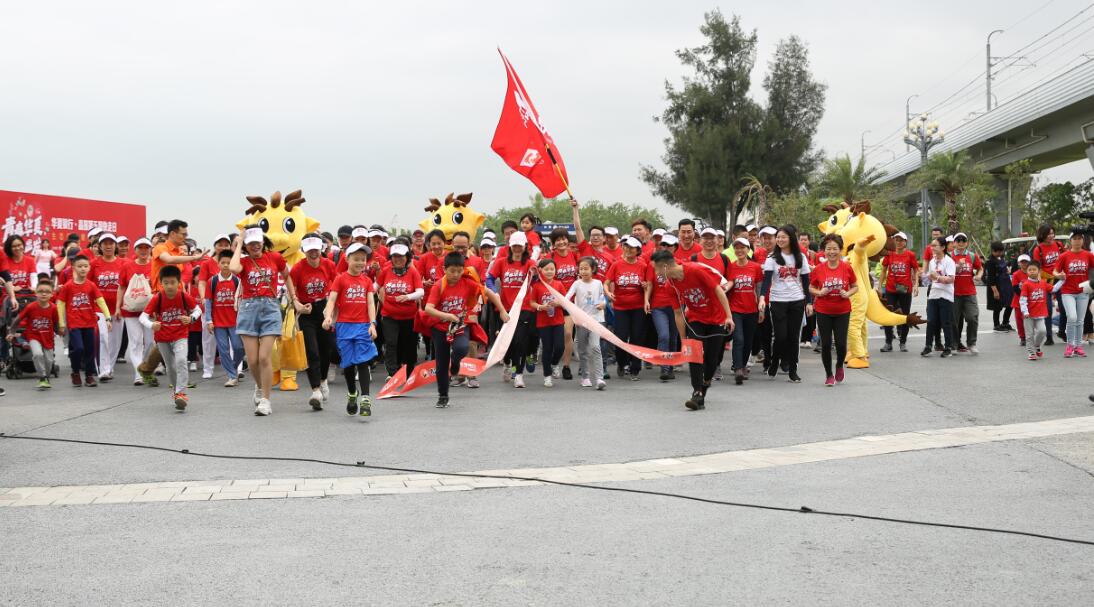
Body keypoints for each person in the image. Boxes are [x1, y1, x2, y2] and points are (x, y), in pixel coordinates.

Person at [649, 251, 733, 411]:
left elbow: (718, 290)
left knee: (712, 359)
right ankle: (697, 392)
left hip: (717, 317)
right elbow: (678, 313)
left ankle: (705, 383)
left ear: (665, 266)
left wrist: (729, 316)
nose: (656, 274)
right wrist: (683, 340)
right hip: (695, 319)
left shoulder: (695, 270)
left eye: (657, 269)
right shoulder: (670, 285)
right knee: (694, 354)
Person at [229, 226, 297, 416]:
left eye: (257, 241)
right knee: (252, 360)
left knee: (264, 357)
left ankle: (266, 400)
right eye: (250, 243)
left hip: (270, 308)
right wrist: (239, 243)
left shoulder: (275, 257)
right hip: (248, 309)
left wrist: (294, 298)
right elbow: (233, 268)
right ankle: (259, 387)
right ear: (246, 245)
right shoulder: (243, 262)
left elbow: (287, 276)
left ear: (263, 241)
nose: (255, 246)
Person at [323, 242, 379, 417]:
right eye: (356, 259)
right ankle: (352, 393)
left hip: (363, 326)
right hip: (344, 326)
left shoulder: (367, 281)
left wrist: (372, 324)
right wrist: (328, 317)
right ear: (347, 259)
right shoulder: (340, 279)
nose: (360, 263)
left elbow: (371, 303)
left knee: (362, 362)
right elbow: (332, 300)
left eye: (363, 259)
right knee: (348, 364)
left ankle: (365, 399)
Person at [141, 265, 202, 410]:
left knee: (181, 361)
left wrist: (191, 318)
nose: (169, 286)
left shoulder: (183, 296)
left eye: (173, 282)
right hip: (162, 338)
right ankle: (177, 393)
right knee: (170, 367)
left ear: (179, 282)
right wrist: (151, 324)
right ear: (161, 283)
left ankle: (181, 393)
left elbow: (197, 310)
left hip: (180, 335)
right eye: (166, 283)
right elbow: (143, 317)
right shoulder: (158, 298)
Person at [424, 252, 480, 408]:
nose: (456, 275)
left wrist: (502, 310)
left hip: (459, 325)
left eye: (459, 271)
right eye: (452, 271)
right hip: (440, 327)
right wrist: (447, 316)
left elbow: (486, 292)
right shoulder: (439, 286)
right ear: (444, 269)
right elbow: (428, 308)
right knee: (441, 363)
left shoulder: (467, 283)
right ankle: (443, 396)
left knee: (462, 348)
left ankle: (455, 363)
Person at [290, 233, 338, 409]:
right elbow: (291, 292)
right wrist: (298, 305)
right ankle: (315, 390)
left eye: (316, 249)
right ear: (304, 250)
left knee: (327, 349)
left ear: (321, 249)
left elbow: (337, 286)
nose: (313, 253)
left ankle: (323, 379)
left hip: (324, 309)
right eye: (309, 250)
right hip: (306, 311)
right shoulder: (297, 268)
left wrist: (332, 308)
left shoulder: (329, 265)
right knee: (312, 351)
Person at [760, 225, 812, 383]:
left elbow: (806, 281)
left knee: (794, 337)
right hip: (777, 301)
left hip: (797, 300)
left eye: (783, 237)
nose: (780, 240)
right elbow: (767, 280)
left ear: (791, 238)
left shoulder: (800, 257)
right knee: (781, 336)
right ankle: (775, 361)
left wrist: (809, 302)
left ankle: (793, 370)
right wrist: (762, 298)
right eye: (778, 237)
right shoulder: (772, 258)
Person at [488, 231, 536, 387]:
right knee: (508, 342)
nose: (517, 248)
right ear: (510, 246)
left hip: (524, 307)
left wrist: (535, 274)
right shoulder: (501, 262)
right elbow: (489, 279)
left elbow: (536, 281)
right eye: (514, 245)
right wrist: (493, 291)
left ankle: (518, 375)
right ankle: (508, 362)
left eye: (519, 246)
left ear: (525, 247)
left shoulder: (530, 263)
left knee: (520, 342)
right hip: (506, 308)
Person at [809, 234, 858, 386]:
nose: (831, 252)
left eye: (835, 249)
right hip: (823, 310)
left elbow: (855, 287)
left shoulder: (846, 267)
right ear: (824, 251)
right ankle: (829, 374)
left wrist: (847, 293)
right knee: (825, 343)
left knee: (841, 344)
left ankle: (839, 365)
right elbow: (811, 287)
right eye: (828, 249)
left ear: (840, 250)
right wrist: (819, 293)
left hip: (842, 310)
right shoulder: (818, 269)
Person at [56, 255, 112, 387]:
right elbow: (60, 304)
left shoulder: (91, 285)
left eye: (85, 266)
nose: (83, 269)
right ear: (73, 267)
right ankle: (75, 372)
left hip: (90, 323)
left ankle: (89, 376)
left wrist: (108, 318)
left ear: (89, 268)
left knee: (90, 350)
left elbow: (101, 301)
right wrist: (62, 324)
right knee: (78, 349)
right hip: (74, 323)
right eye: (80, 266)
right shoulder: (68, 286)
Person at [375, 242, 424, 379]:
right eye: (395, 256)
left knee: (408, 344)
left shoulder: (412, 272)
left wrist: (408, 296)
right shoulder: (386, 271)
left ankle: (408, 372)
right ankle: (392, 373)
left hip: (409, 316)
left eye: (401, 256)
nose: (398, 259)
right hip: (389, 315)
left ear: (407, 257)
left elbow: (420, 292)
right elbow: (375, 286)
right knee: (391, 343)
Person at [605, 236, 648, 380]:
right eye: (626, 247)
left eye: (632, 248)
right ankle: (622, 363)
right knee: (621, 337)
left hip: (638, 307)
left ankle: (635, 368)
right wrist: (608, 293)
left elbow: (649, 284)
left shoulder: (643, 265)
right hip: (621, 307)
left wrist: (645, 286)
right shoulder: (617, 264)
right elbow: (606, 282)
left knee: (637, 337)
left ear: (638, 250)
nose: (628, 250)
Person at [565, 257, 607, 390]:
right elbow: (567, 298)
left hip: (596, 320)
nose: (583, 271)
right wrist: (562, 303)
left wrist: (603, 304)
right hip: (581, 321)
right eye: (581, 269)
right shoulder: (577, 284)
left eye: (586, 268)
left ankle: (599, 378)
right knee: (582, 350)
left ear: (593, 269)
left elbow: (602, 298)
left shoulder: (598, 283)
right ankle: (585, 377)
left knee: (595, 347)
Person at [9, 279, 59, 389]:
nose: (44, 294)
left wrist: (60, 331)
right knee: (37, 354)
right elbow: (18, 319)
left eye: (47, 291)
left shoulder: (53, 308)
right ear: (36, 293)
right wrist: (11, 332)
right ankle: (42, 377)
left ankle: (46, 376)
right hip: (33, 336)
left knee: (49, 360)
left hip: (48, 337)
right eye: (41, 291)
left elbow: (56, 322)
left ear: (52, 294)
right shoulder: (31, 307)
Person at [205, 250, 245, 387]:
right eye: (223, 262)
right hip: (218, 323)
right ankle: (232, 376)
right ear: (218, 264)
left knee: (239, 348)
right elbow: (208, 302)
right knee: (223, 350)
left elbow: (242, 301)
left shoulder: (237, 280)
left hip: (235, 322)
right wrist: (209, 320)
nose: (226, 265)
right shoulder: (212, 281)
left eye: (229, 262)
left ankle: (232, 368)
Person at [725, 237, 763, 384]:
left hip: (752, 309)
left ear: (748, 250)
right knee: (739, 339)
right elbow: (728, 285)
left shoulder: (755, 267)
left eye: (742, 247)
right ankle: (738, 369)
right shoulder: (731, 266)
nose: (739, 250)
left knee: (748, 340)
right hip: (735, 309)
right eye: (737, 248)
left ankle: (743, 365)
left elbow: (759, 288)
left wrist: (761, 309)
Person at [89, 233, 126, 381]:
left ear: (115, 246)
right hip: (99, 308)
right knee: (103, 337)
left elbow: (127, 284)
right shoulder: (94, 264)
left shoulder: (123, 263)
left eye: (111, 243)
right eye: (105, 243)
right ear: (100, 246)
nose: (108, 246)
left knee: (115, 341)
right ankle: (103, 369)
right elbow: (88, 285)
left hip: (118, 308)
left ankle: (109, 367)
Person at [196, 234, 232, 379]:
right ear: (215, 246)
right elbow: (202, 282)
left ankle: (234, 368)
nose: (223, 247)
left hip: (229, 308)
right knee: (208, 340)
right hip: (211, 307)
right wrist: (203, 298)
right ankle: (208, 369)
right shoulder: (207, 264)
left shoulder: (233, 262)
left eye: (226, 244)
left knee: (232, 340)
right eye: (220, 244)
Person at [119, 238, 155, 386]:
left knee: (150, 342)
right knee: (135, 342)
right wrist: (117, 307)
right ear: (135, 250)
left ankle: (145, 368)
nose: (143, 250)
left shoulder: (154, 266)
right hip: (131, 312)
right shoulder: (127, 266)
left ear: (150, 250)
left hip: (150, 311)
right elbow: (121, 287)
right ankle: (139, 374)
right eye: (140, 248)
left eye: (146, 247)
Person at [645, 234, 681, 381]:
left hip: (676, 306)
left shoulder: (679, 264)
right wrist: (646, 300)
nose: (666, 248)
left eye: (669, 245)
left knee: (673, 337)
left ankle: (670, 366)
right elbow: (650, 283)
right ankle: (664, 367)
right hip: (658, 306)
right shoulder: (653, 264)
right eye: (663, 245)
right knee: (664, 335)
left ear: (675, 248)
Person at [1053, 231, 1094, 357]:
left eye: (1079, 238)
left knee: (1080, 320)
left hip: (1083, 291)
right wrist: (1059, 275)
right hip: (1067, 292)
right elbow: (1055, 271)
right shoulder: (1064, 256)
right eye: (1074, 238)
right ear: (1070, 241)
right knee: (1072, 317)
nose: (1077, 241)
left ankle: (1078, 346)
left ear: (1083, 240)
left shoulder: (1088, 255)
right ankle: (1070, 346)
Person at [545, 227, 579, 380]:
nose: (561, 242)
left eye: (563, 238)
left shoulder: (575, 255)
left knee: (568, 334)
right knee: (554, 338)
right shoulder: (549, 257)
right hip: (554, 302)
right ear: (553, 243)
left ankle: (566, 366)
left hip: (570, 302)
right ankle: (553, 363)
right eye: (557, 240)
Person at [879, 232, 919, 352]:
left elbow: (916, 270)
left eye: (901, 240)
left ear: (906, 242)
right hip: (891, 289)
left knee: (905, 315)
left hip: (905, 289)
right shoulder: (889, 254)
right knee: (888, 315)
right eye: (897, 240)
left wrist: (916, 284)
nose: (899, 242)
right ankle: (888, 342)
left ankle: (903, 342)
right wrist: (880, 286)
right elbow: (883, 271)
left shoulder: (910, 255)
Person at [530, 258, 565, 387]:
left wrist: (558, 303)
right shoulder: (537, 286)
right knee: (547, 348)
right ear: (540, 270)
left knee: (560, 347)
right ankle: (547, 376)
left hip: (558, 321)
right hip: (543, 323)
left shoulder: (559, 284)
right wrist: (541, 307)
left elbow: (565, 301)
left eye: (552, 269)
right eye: (546, 269)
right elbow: (532, 303)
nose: (550, 271)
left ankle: (554, 363)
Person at [923, 237, 956, 358]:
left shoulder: (949, 261)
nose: (932, 248)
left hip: (946, 295)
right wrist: (925, 277)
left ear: (942, 247)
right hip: (934, 294)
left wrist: (937, 277)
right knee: (931, 320)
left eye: (935, 245)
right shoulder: (932, 261)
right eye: (931, 245)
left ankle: (948, 347)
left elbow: (951, 279)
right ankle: (928, 346)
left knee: (945, 322)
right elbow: (931, 278)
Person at [950, 232, 982, 354]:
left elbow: (980, 268)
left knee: (972, 317)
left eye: (963, 240)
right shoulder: (949, 256)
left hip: (970, 293)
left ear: (967, 243)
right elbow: (946, 272)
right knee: (953, 320)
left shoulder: (972, 256)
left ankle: (971, 343)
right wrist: (958, 266)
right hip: (953, 293)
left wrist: (978, 276)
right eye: (958, 241)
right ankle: (953, 344)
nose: (961, 243)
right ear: (954, 243)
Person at [1031, 224, 1063, 345]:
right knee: (1048, 309)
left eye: (1052, 233)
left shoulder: (1059, 245)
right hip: (1045, 281)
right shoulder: (1038, 249)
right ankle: (1049, 336)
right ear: (1042, 235)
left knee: (1064, 307)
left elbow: (1065, 259)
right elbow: (1037, 268)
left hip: (1059, 279)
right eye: (1048, 234)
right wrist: (1038, 283)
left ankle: (1062, 331)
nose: (1051, 236)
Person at [1019, 260, 1051, 360]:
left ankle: (1037, 345)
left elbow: (1053, 289)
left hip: (1040, 313)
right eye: (1030, 270)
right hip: (1028, 315)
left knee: (1042, 331)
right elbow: (1022, 299)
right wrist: (1025, 311)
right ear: (1027, 271)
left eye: (1034, 269)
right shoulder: (1026, 284)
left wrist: (1063, 280)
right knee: (1029, 335)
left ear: (1039, 271)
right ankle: (1031, 352)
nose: (1032, 271)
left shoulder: (1043, 283)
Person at [984, 241, 1014, 333]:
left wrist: (1007, 271)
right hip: (997, 286)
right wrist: (995, 291)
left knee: (1010, 304)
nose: (999, 253)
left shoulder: (1001, 258)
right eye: (997, 251)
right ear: (992, 251)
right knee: (997, 307)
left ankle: (1005, 322)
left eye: (1001, 251)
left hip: (1006, 285)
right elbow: (991, 278)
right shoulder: (990, 262)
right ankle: (996, 325)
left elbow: (1003, 269)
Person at [1011, 254, 1031, 347]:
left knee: (1030, 320)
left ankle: (1030, 336)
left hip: (1031, 300)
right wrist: (1024, 296)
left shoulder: (1033, 272)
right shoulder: (1016, 274)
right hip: (1019, 301)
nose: (1024, 263)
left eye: (1026, 262)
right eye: (1022, 262)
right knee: (1020, 320)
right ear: (1019, 263)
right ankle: (1022, 337)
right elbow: (1015, 288)